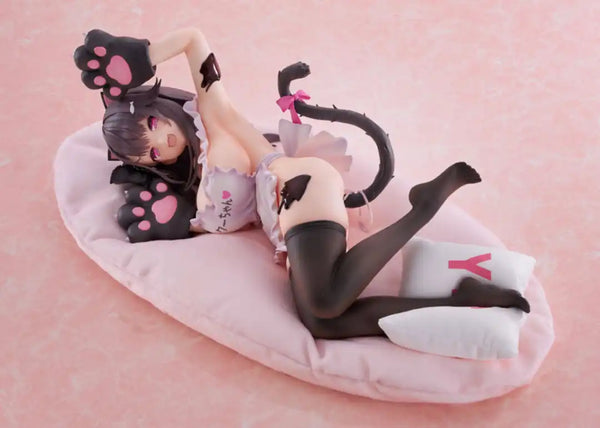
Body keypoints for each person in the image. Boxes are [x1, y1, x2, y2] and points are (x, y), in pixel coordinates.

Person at [74, 28, 530, 340]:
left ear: (161, 110)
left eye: (153, 126)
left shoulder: (212, 119)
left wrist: (141, 58)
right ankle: (460, 302)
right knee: (323, 323)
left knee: (326, 302)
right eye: (152, 153)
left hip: (299, 187)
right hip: (286, 220)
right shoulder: (194, 190)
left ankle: (423, 208)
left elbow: (194, 39)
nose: (164, 141)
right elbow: (204, 221)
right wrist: (174, 219)